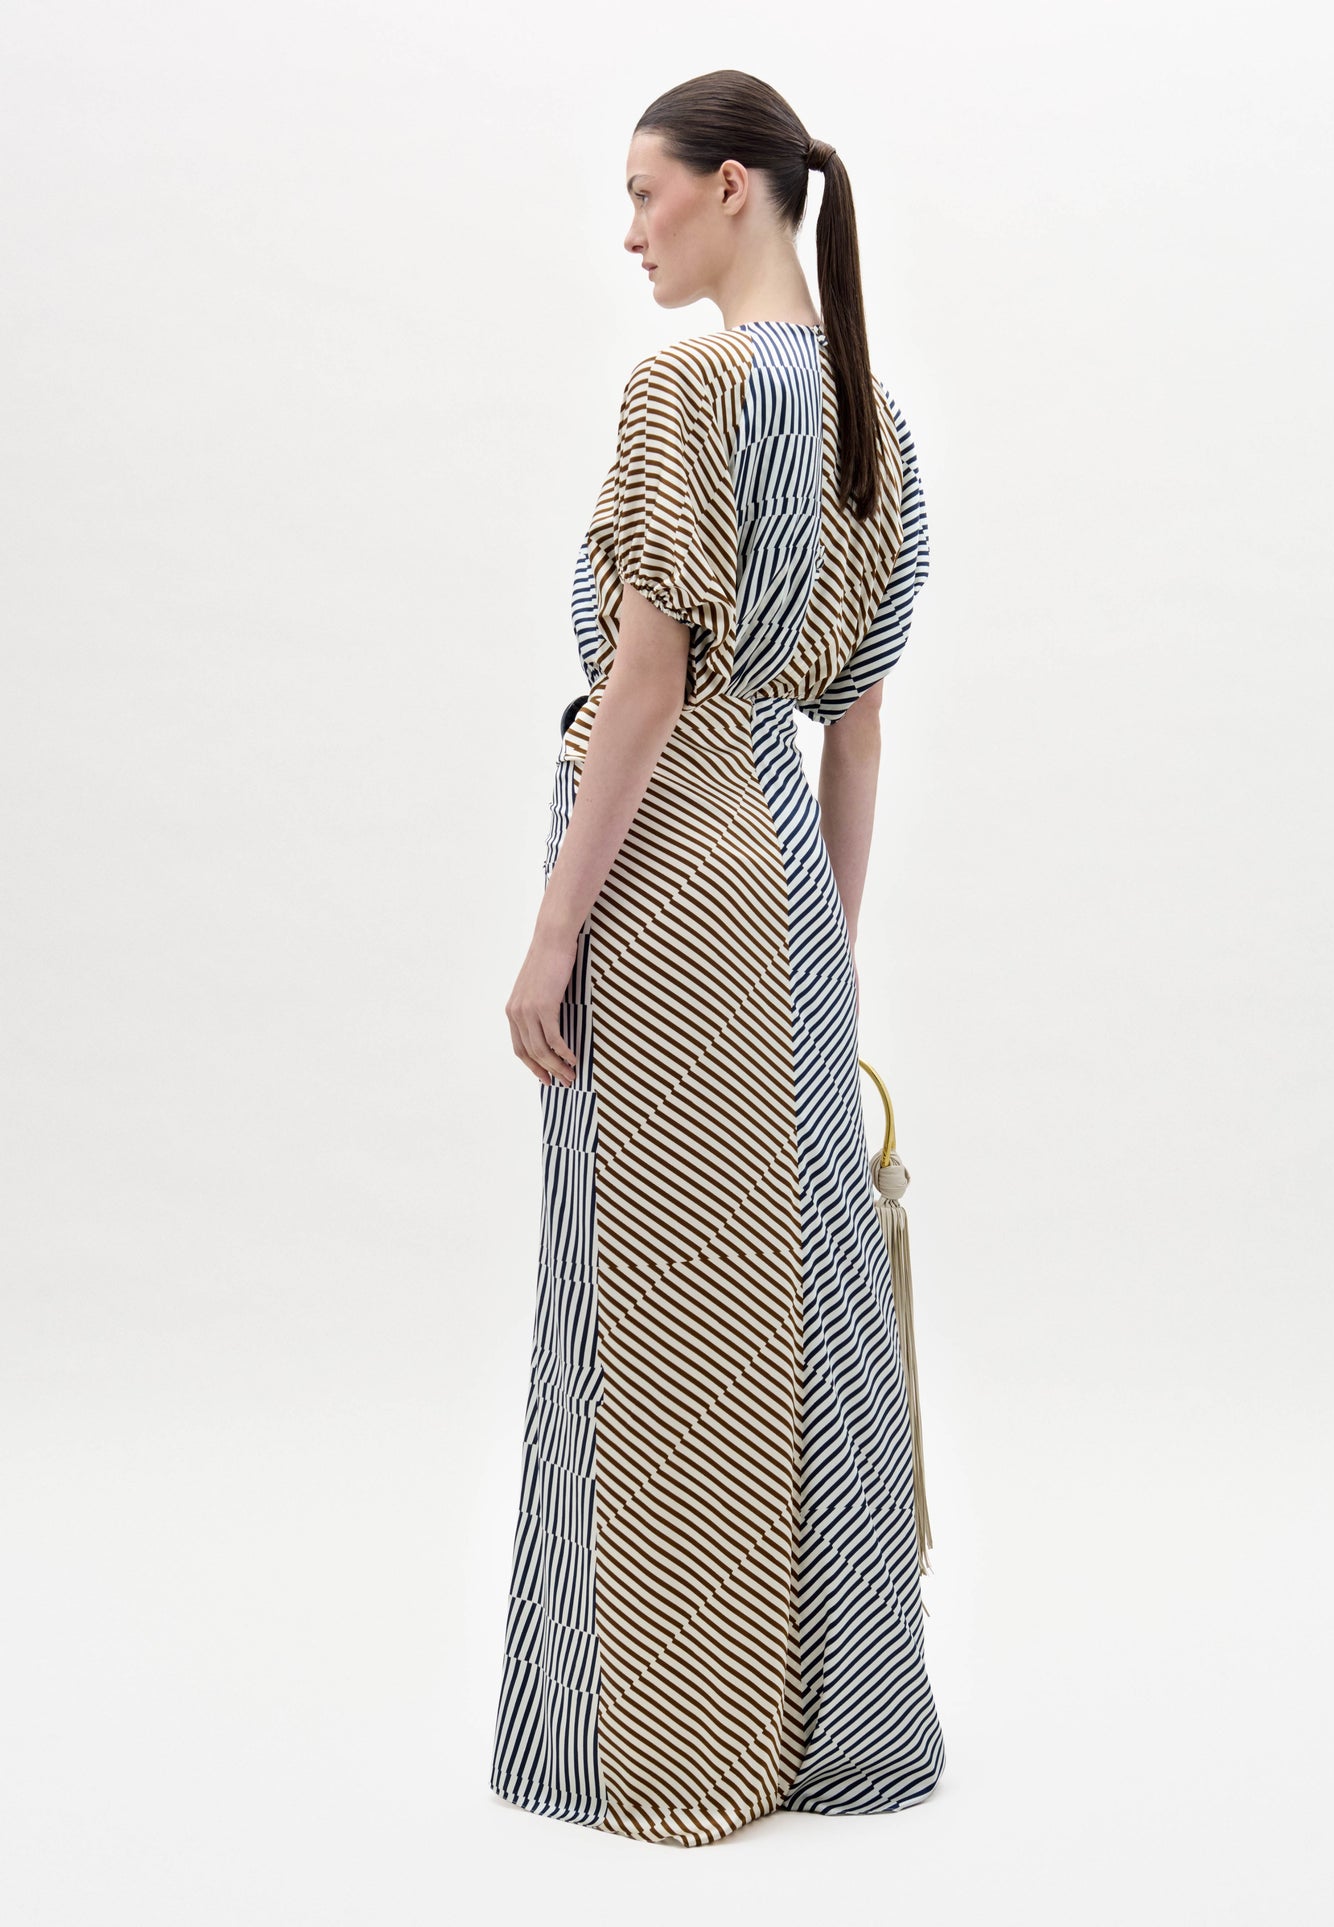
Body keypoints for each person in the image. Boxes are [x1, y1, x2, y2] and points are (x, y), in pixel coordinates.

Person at [490, 68, 943, 1848]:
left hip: (672, 876)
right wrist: (825, 951)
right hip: (788, 900)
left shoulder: (683, 385)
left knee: (664, 1309)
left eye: (644, 193)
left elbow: (654, 679)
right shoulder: (867, 415)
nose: (628, 230)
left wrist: (550, 930)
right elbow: (859, 730)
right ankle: (831, 1738)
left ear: (735, 188)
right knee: (799, 1294)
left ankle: (666, 1749)